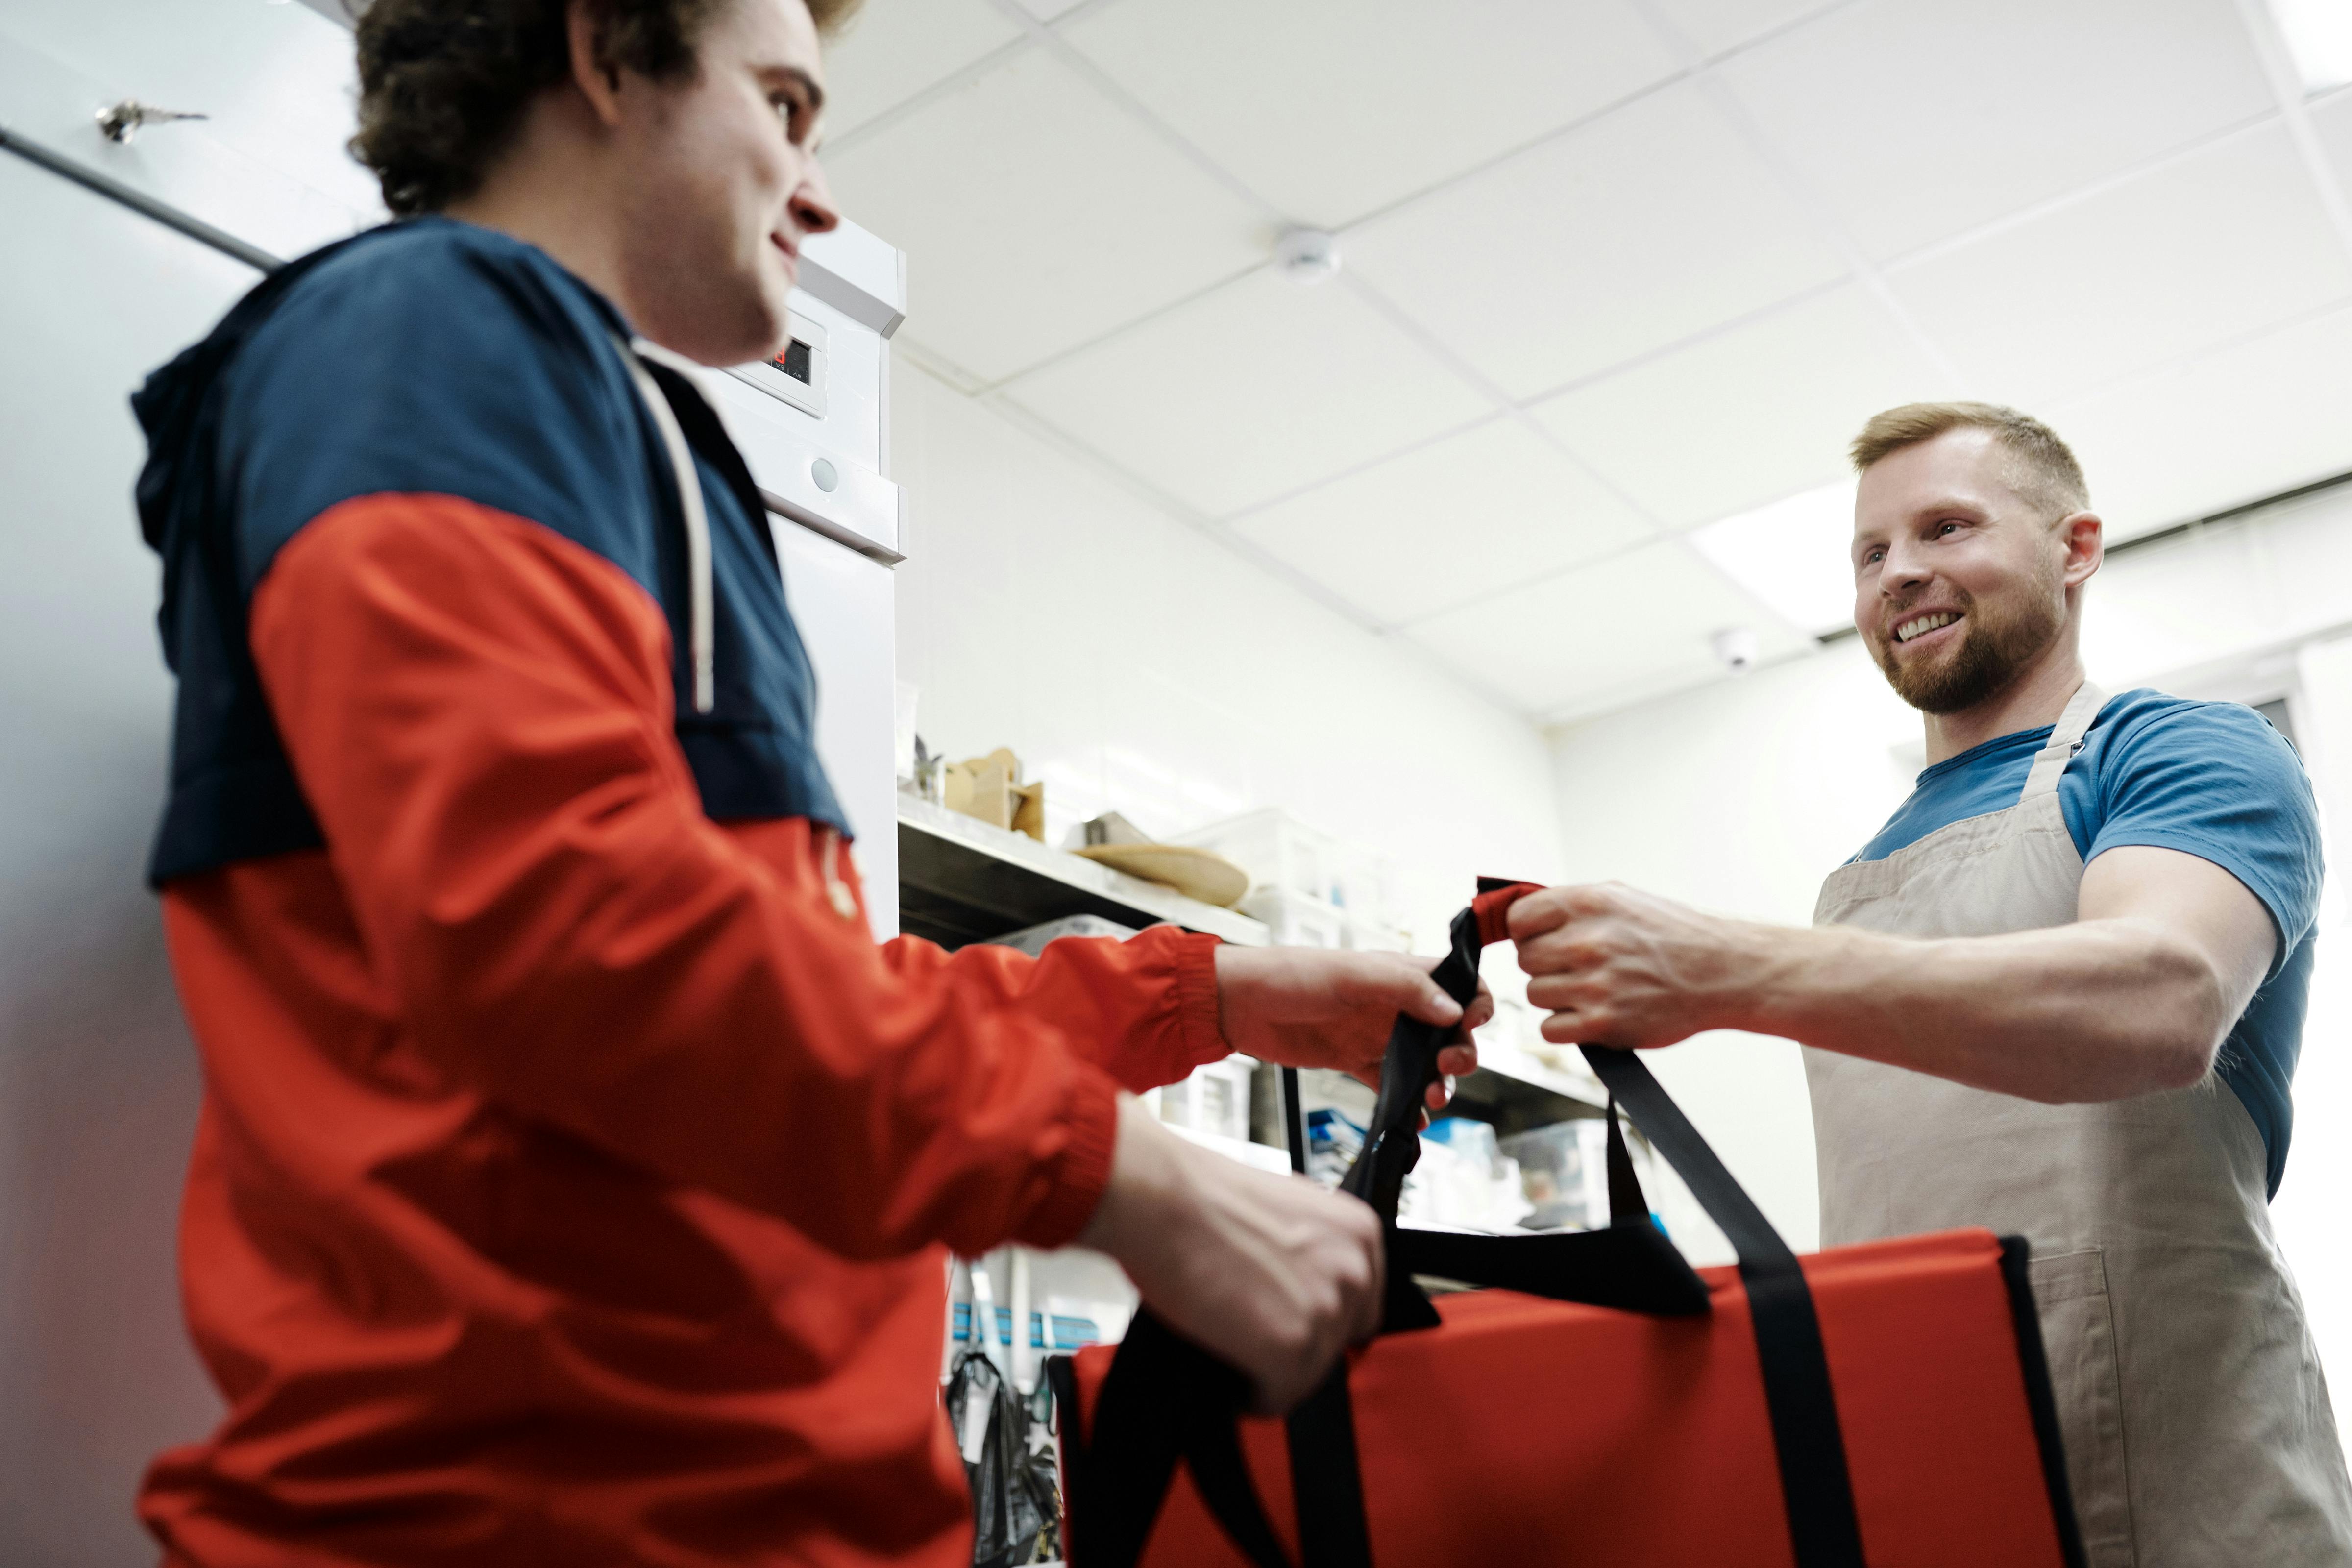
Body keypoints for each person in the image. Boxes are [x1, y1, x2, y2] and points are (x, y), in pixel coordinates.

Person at [128, 0, 1483, 1562]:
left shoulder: (612, 422)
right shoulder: (428, 340)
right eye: (785, 105)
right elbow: (571, 929)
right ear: (606, 54)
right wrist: (1123, 1178)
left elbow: (794, 994)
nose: (822, 192)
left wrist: (1219, 997)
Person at [1508, 402, 2352, 1565]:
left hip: (2180, 1467)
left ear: (2076, 547)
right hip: (1918, 1458)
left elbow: (2158, 1002)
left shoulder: (2179, 751)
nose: (1900, 573)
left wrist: (1726, 967)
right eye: (1871, 552)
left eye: (1946, 528)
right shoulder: (1857, 880)